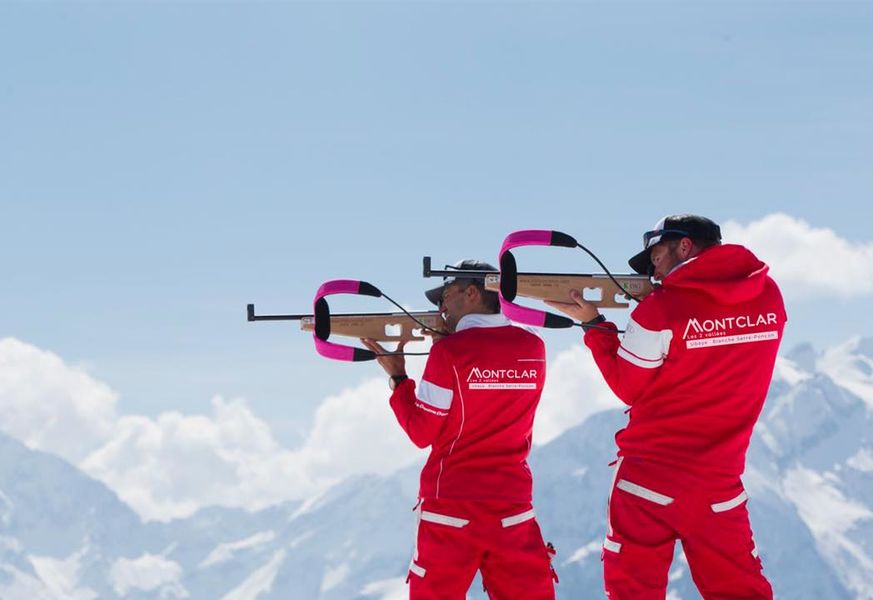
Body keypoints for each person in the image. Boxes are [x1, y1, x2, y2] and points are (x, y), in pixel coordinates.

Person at [546, 215, 787, 600]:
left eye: (656, 257)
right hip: (719, 482)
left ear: (684, 247)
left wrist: (594, 325)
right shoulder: (769, 295)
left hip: (649, 480)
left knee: (634, 591)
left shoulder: (659, 310)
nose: (653, 272)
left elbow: (628, 385)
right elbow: (714, 352)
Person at [361, 260, 557, 600]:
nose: (441, 309)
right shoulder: (533, 347)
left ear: (472, 293)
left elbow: (422, 432)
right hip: (512, 507)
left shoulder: (448, 352)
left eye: (445, 297)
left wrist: (398, 378)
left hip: (451, 507)